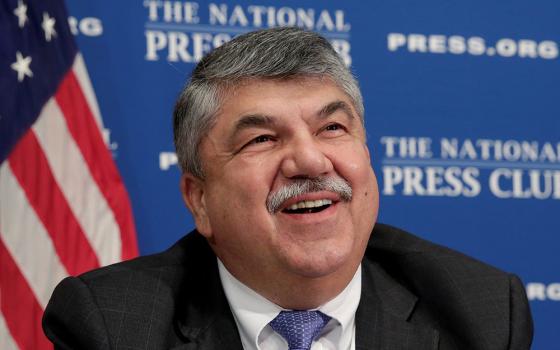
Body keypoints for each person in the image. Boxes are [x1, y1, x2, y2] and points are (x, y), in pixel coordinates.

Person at [43, 27, 533, 350]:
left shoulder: (482, 314)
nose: (310, 160)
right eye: (262, 138)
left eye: (333, 128)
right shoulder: (113, 326)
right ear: (200, 200)